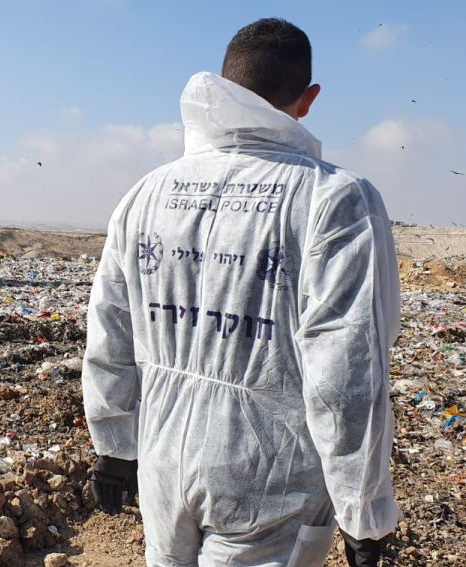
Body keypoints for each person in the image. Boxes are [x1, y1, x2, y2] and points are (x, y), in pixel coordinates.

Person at [82, 18, 399, 567]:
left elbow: (110, 330)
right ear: (308, 98)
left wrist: (114, 447)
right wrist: (364, 513)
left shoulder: (146, 193)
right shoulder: (333, 199)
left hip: (163, 465)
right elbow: (346, 374)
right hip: (272, 482)